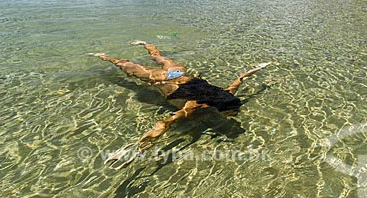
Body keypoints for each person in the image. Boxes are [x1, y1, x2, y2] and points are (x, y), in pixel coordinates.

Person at [90, 41, 270, 169]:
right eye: (231, 113)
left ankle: (144, 43)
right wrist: (149, 139)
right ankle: (103, 57)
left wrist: (258, 68)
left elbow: (240, 78)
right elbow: (166, 122)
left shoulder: (225, 95)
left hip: (177, 73)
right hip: (159, 80)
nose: (232, 116)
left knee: (158, 57)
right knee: (125, 67)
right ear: (220, 108)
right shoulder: (194, 107)